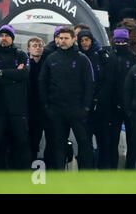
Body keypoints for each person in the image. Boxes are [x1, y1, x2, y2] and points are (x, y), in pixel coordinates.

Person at [38, 26, 94, 170]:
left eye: (66, 38)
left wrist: (86, 107)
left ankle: (85, 176)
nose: (62, 41)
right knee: (57, 144)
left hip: (77, 110)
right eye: (60, 38)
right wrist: (46, 106)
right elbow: (42, 83)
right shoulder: (51, 59)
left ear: (74, 39)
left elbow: (89, 84)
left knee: (84, 142)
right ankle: (58, 177)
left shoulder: (82, 59)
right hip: (56, 110)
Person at [0, 25, 31, 170]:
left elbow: (24, 74)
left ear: (12, 38)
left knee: (21, 143)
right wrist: (13, 76)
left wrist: (1, 73)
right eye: (1, 35)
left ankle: (21, 176)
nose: (4, 38)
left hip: (17, 109)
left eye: (7, 35)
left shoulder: (21, 54)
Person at [77, 30, 111, 169]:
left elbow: (107, 80)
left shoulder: (101, 56)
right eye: (82, 40)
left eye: (87, 40)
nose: (85, 43)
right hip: (83, 108)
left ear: (92, 40)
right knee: (85, 142)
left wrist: (98, 98)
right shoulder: (76, 57)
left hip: (100, 107)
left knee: (103, 142)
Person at [105, 29, 136, 169]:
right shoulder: (109, 57)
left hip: (130, 106)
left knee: (133, 140)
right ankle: (112, 168)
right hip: (112, 106)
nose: (121, 44)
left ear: (128, 42)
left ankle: (130, 168)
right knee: (112, 140)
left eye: (123, 41)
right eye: (118, 41)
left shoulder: (134, 59)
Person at [25, 37, 49, 163]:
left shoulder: (47, 65)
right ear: (28, 49)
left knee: (38, 140)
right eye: (34, 46)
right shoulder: (23, 66)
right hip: (27, 109)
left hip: (43, 109)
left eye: (40, 46)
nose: (38, 48)